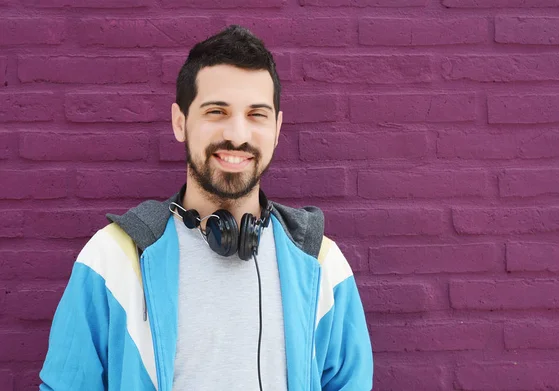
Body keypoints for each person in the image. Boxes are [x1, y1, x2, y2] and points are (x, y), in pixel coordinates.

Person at [39, 25, 373, 391]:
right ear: (180, 122)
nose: (238, 135)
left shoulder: (322, 266)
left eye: (256, 115)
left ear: (277, 129)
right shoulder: (112, 260)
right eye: (217, 111)